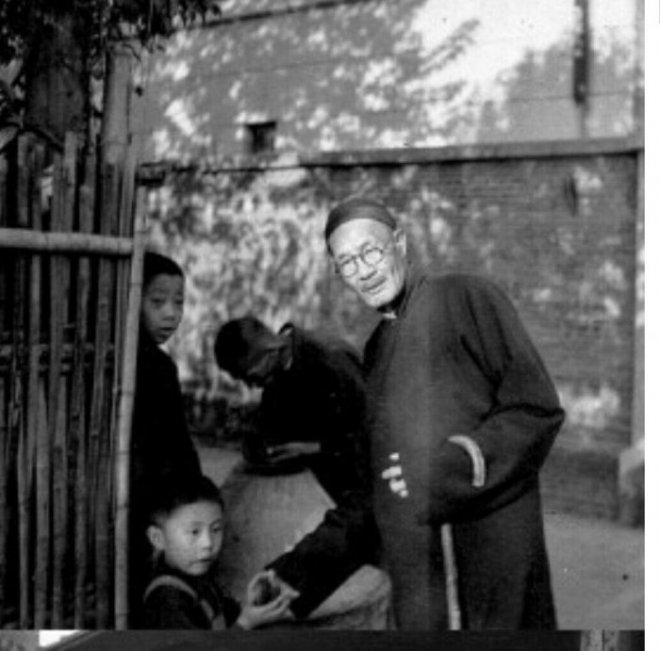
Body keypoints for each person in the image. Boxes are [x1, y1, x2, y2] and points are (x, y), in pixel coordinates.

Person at [324, 196, 566, 630]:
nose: (364, 270)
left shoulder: (467, 297)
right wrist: (297, 573)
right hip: (421, 576)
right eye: (347, 262)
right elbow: (375, 483)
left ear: (399, 242)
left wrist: (443, 470)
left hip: (489, 554)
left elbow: (536, 409)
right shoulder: (376, 348)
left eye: (371, 252)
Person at [213, 316, 380, 619]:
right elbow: (273, 429)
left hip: (361, 484)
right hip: (316, 486)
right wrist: (253, 434)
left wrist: (316, 448)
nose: (250, 386)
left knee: (349, 544)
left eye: (249, 375)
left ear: (270, 351)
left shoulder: (331, 362)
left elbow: (372, 435)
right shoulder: (279, 369)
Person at [129, 251, 203, 622]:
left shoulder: (153, 362)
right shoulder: (153, 366)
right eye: (158, 302)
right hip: (148, 495)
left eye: (179, 303)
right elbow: (176, 444)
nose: (171, 314)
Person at [139, 474, 299, 629]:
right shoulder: (167, 600)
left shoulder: (200, 580)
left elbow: (227, 619)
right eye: (194, 532)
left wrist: (252, 603)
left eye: (216, 529)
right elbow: (193, 644)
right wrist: (246, 623)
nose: (208, 543)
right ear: (157, 538)